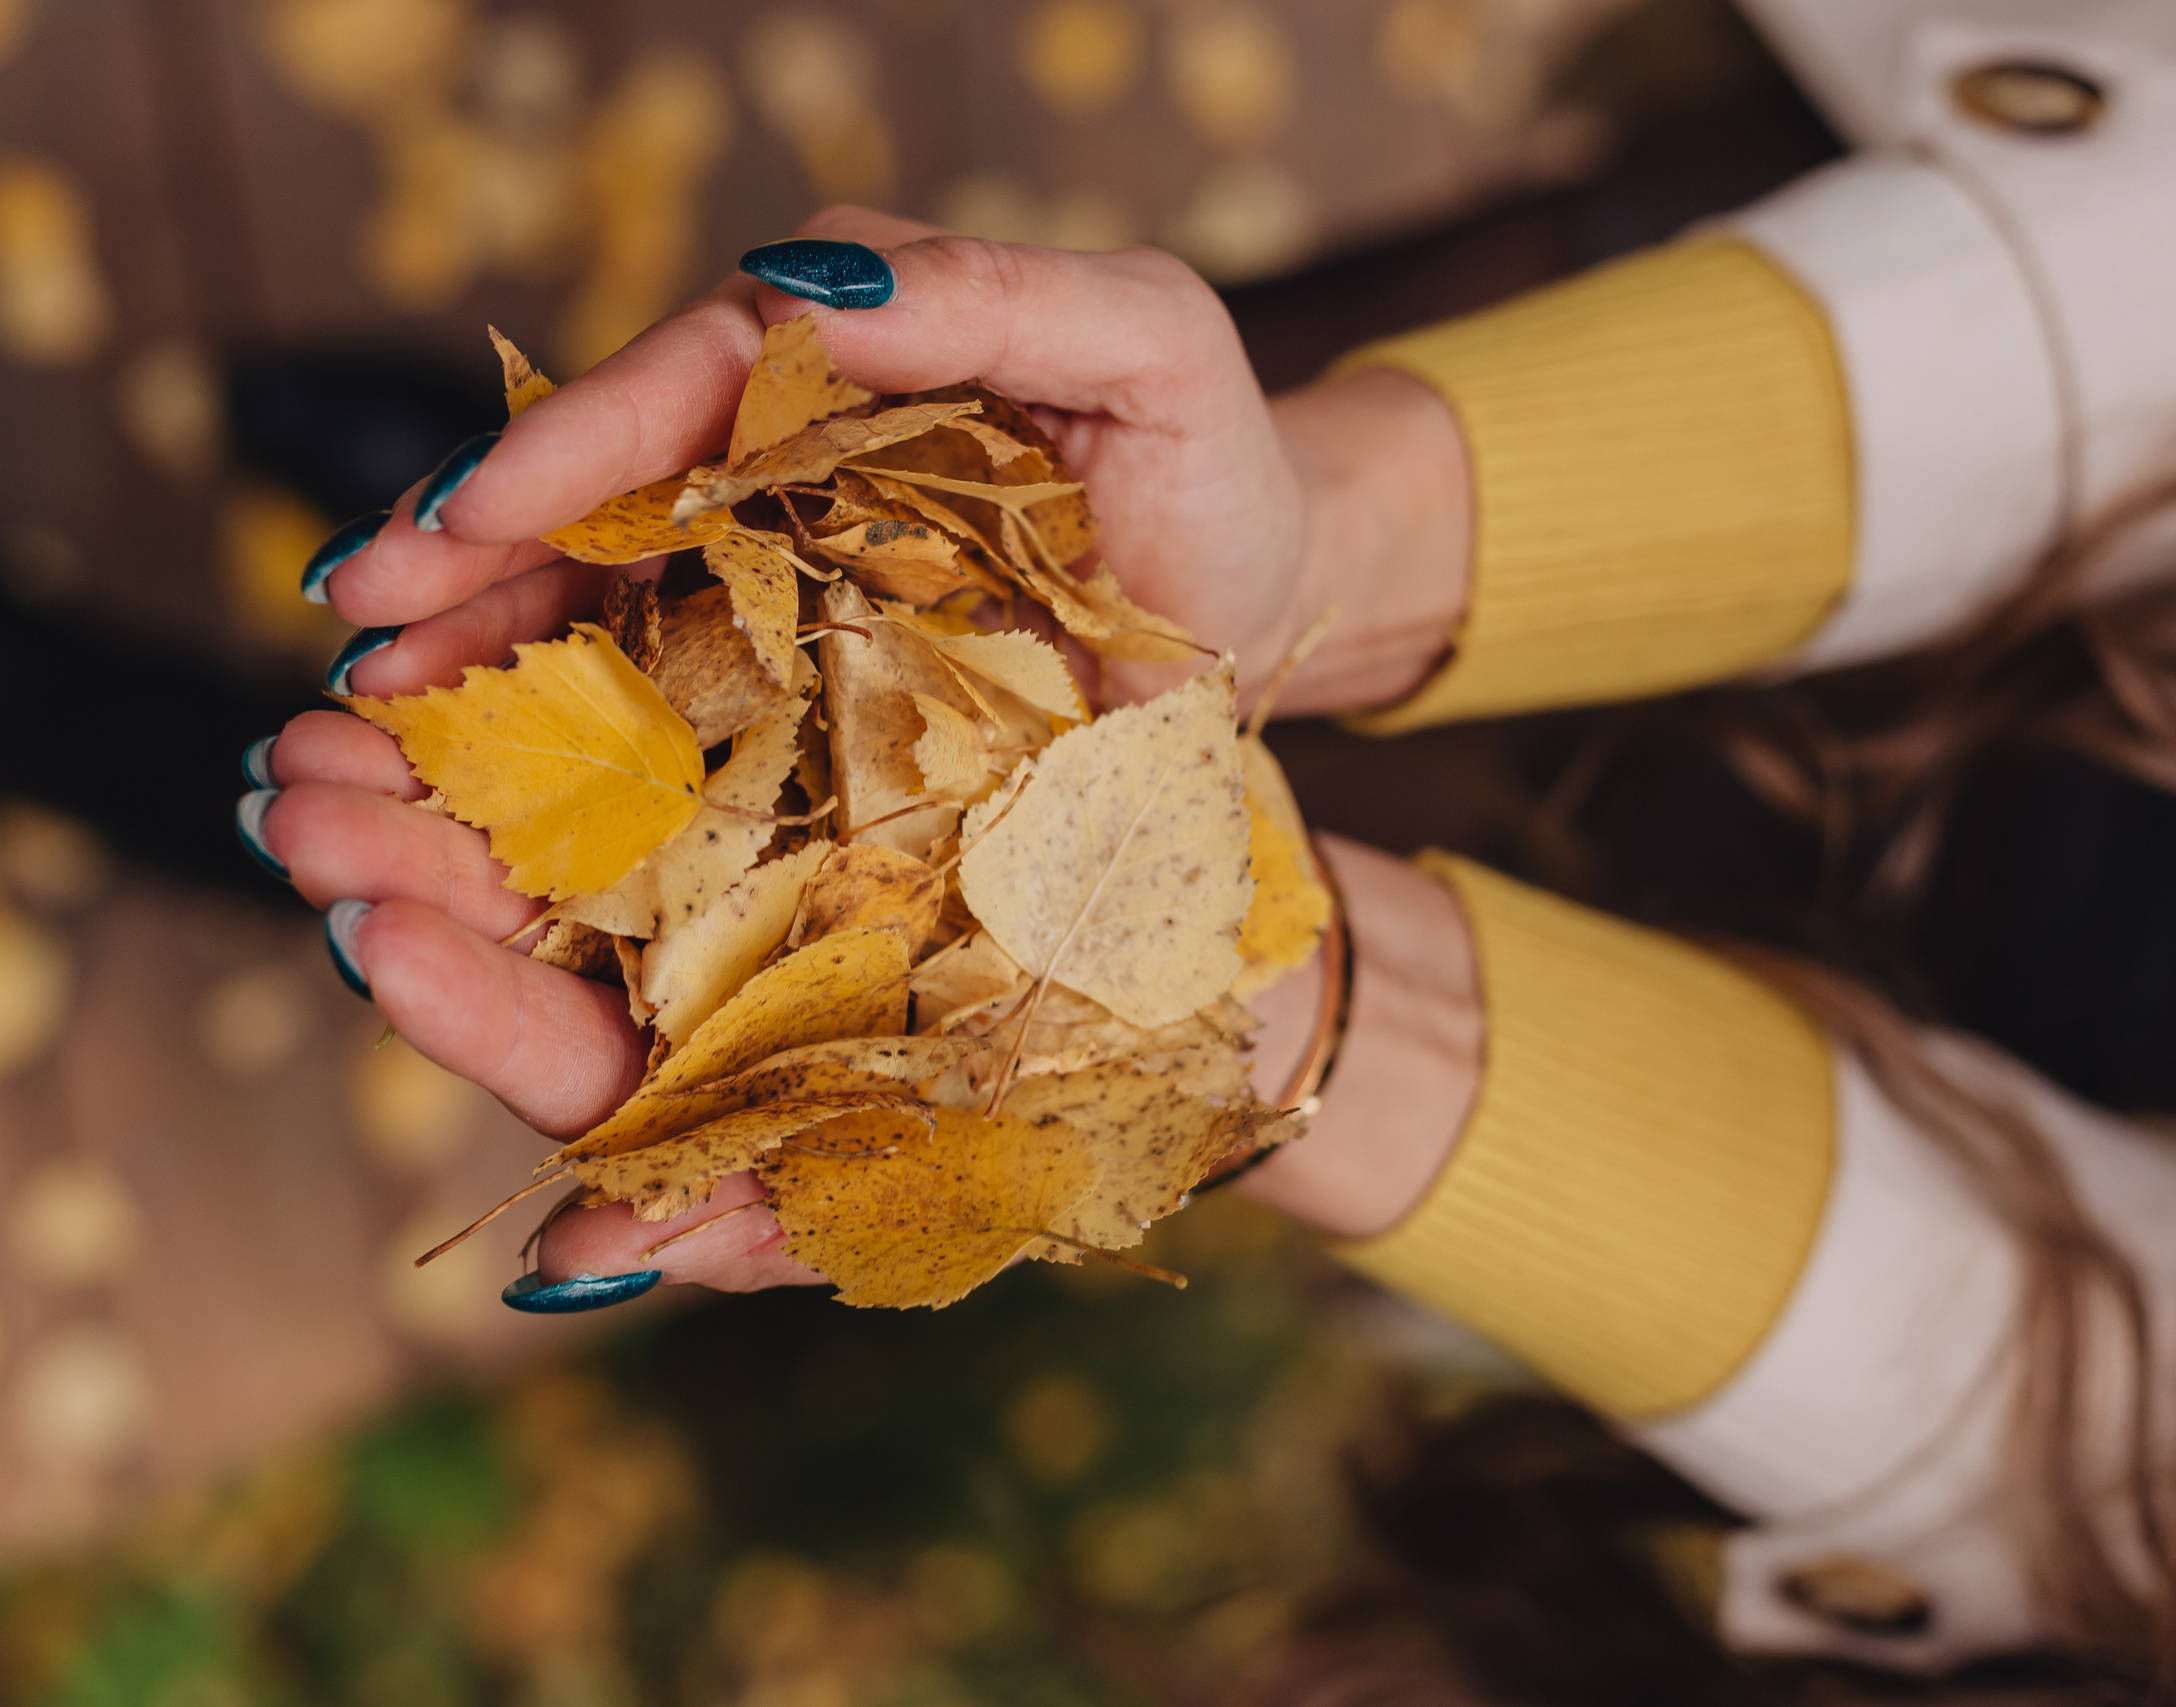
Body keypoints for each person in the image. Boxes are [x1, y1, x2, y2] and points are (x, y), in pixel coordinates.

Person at [239, 0, 2176, 1682]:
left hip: (1836, 1129)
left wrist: (1296, 1015)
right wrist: (1356, 535)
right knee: (938, 504)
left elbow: (2100, 1446)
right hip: (1995, 413)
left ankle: (205, 736)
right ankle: (457, 514)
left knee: (537, 863)